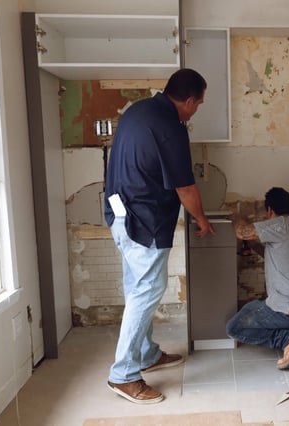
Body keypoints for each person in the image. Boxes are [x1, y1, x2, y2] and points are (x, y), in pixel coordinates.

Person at [103, 68, 214, 404]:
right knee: (148, 290)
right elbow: (185, 187)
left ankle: (146, 354)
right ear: (190, 101)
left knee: (138, 289)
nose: (196, 110)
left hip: (119, 215)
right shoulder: (170, 127)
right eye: (199, 104)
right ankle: (123, 374)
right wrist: (202, 220)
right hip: (144, 221)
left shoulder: (138, 110)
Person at [226, 187, 289, 370]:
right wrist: (252, 245)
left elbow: (242, 231)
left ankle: (288, 338)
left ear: (270, 210)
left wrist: (233, 215)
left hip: (287, 310)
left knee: (234, 327)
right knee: (252, 307)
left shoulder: (282, 224)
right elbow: (272, 255)